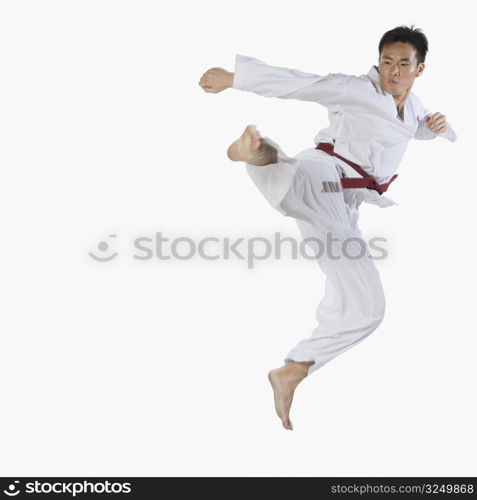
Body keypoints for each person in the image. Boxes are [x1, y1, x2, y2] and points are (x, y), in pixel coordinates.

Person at [199, 25, 457, 430]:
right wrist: (236, 79)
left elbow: (410, 128)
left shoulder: (413, 105)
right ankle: (256, 153)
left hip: (345, 203)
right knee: (300, 184)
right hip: (325, 175)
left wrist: (433, 128)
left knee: (366, 305)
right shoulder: (357, 90)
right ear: (378, 62)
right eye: (386, 61)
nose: (392, 71)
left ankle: (294, 369)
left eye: (402, 64)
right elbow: (304, 84)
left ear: (418, 68)